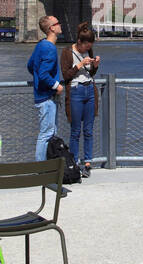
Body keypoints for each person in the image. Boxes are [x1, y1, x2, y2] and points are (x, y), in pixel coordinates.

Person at [60, 22, 101, 177]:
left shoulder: (88, 50)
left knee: (89, 130)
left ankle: (88, 163)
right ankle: (74, 162)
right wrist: (80, 64)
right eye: (85, 46)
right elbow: (66, 75)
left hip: (90, 90)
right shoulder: (66, 52)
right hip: (76, 92)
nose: (87, 49)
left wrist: (95, 65)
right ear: (79, 42)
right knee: (76, 131)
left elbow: (91, 73)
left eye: (89, 46)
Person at [26, 15, 63, 161]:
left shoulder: (41, 45)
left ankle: (47, 165)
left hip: (40, 96)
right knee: (46, 134)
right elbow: (43, 73)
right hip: (47, 98)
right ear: (52, 28)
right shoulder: (49, 48)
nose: (60, 25)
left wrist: (37, 78)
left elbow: (30, 66)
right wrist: (57, 86)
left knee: (49, 132)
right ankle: (41, 169)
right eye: (57, 23)